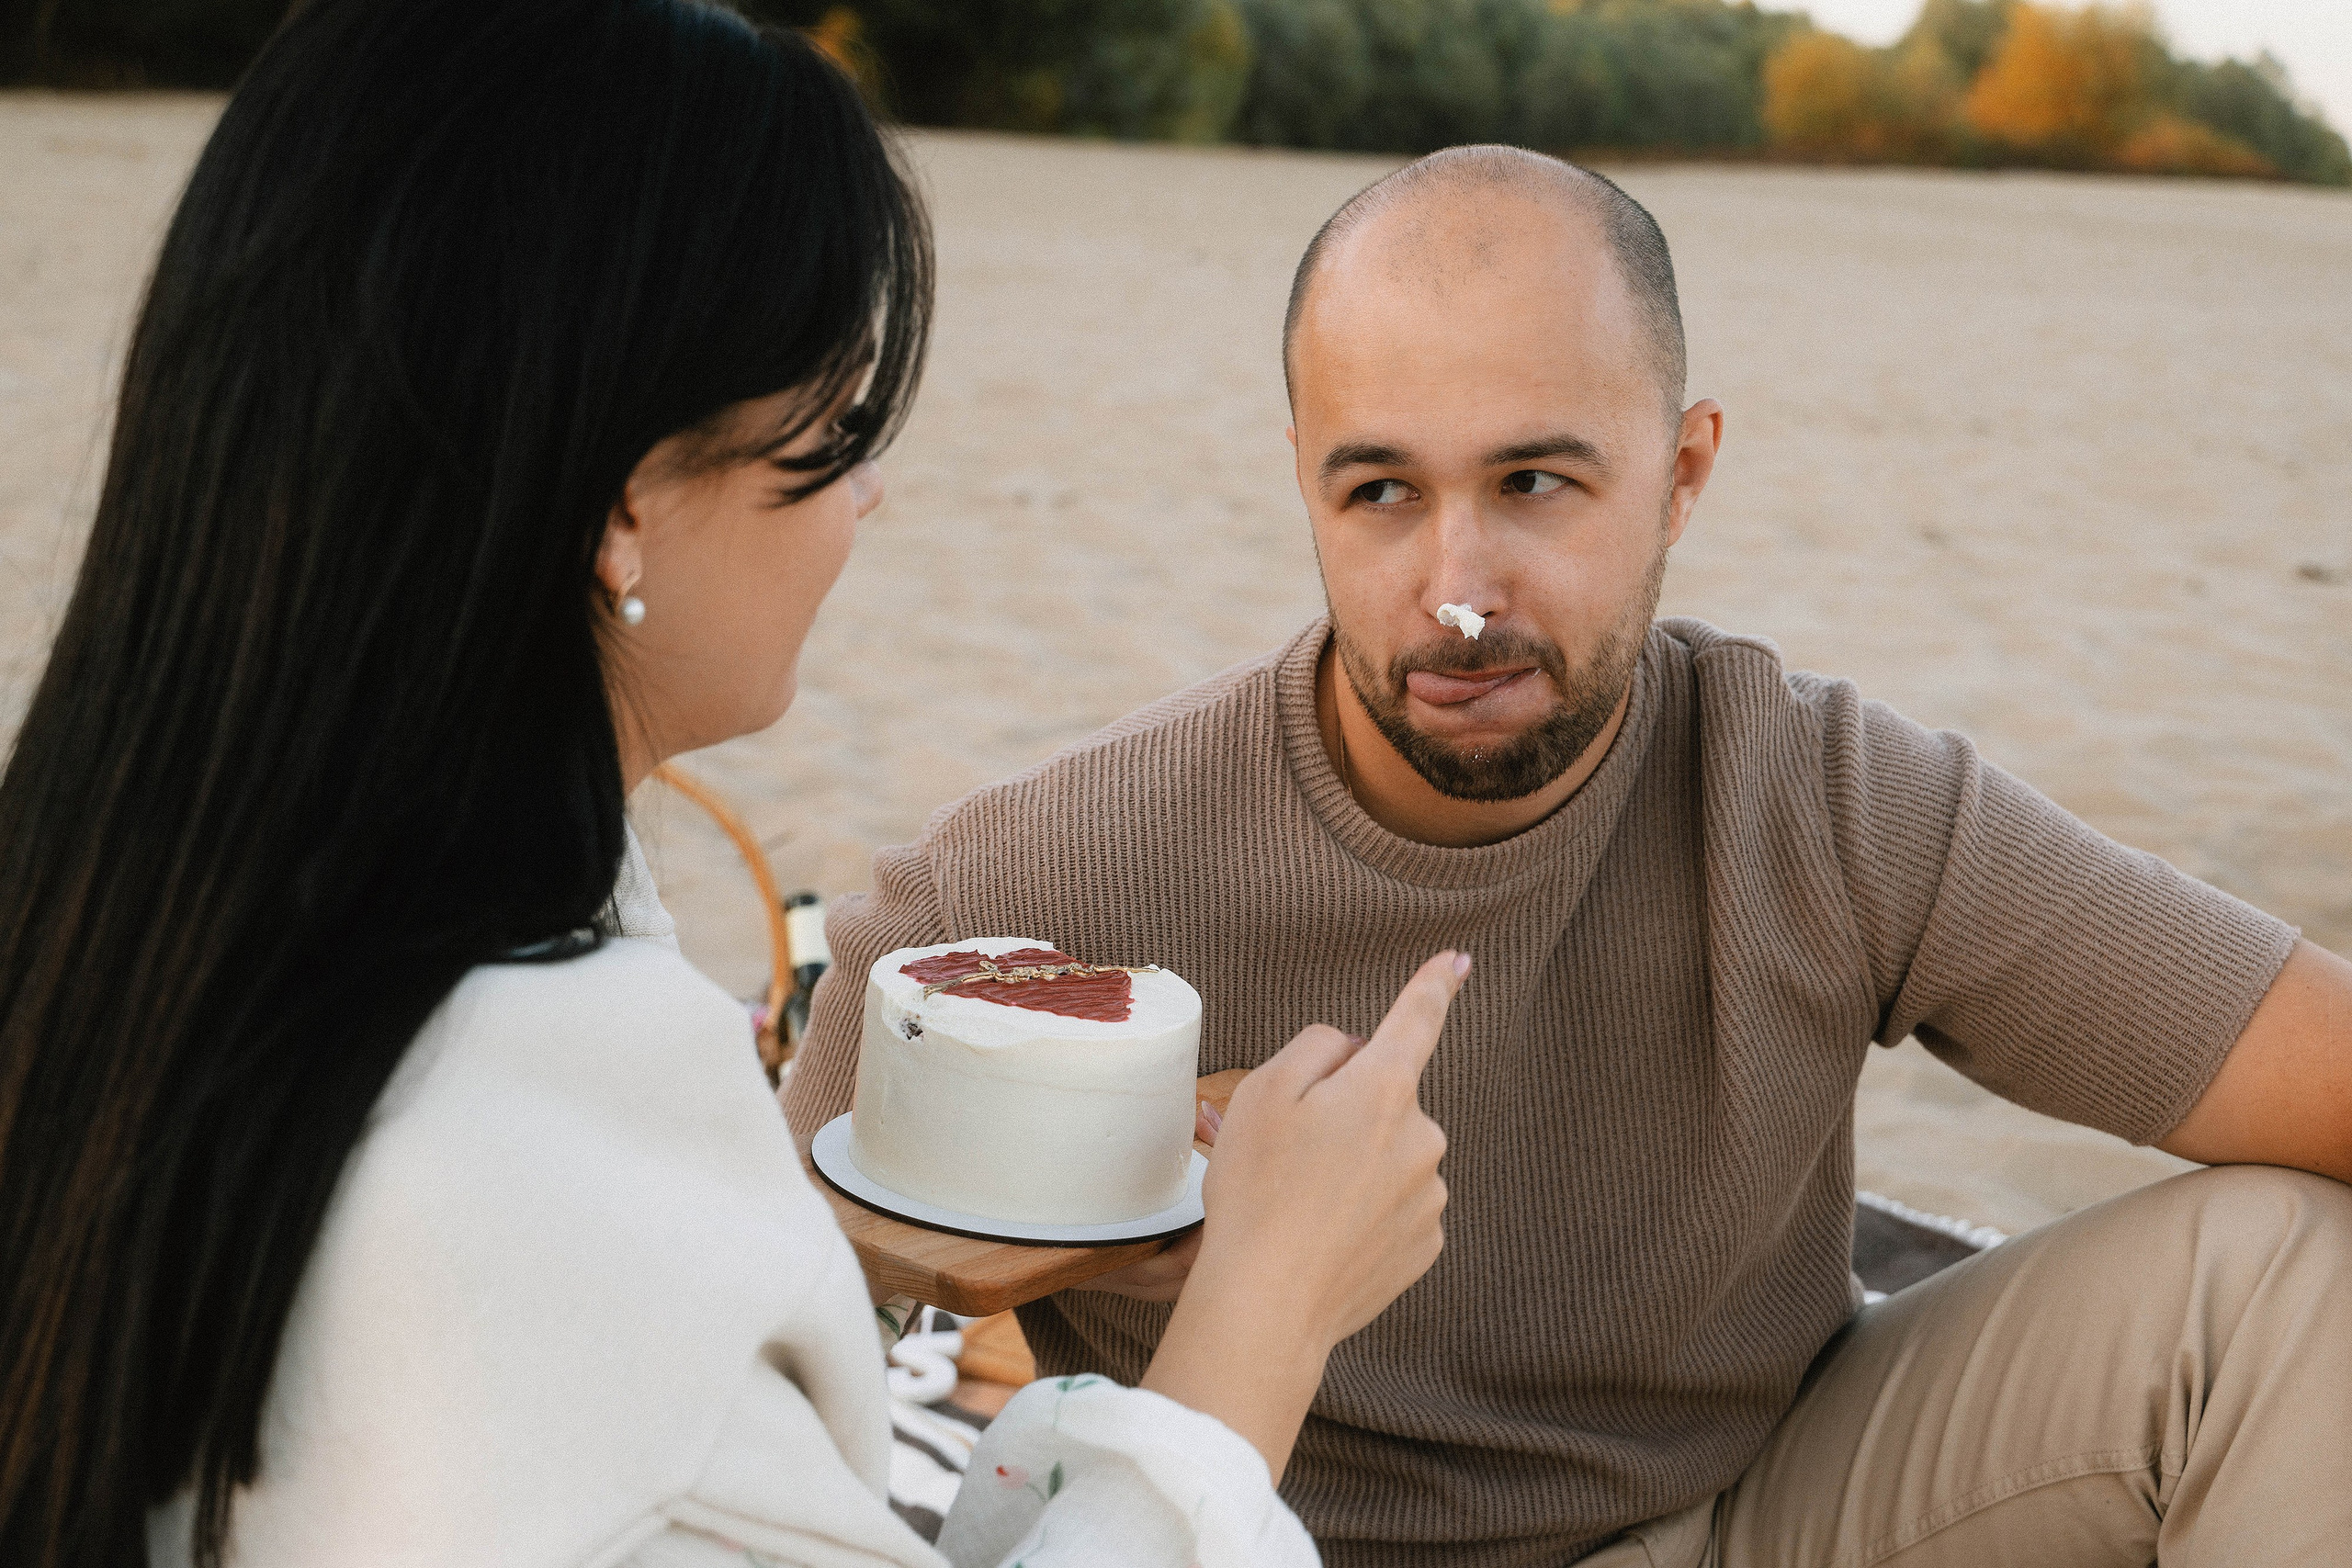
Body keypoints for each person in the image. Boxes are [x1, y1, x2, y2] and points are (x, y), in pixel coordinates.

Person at [0, 4, 1469, 1565]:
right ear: (625, 506)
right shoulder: (515, 1139)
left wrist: (856, 1246)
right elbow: (558, 1340)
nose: (870, 498)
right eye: (836, 431)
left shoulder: (138, 914)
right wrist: (1262, 1326)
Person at [786, 145, 2352, 1567]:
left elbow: (2323, 1071)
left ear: (1682, 472)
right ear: (1307, 485)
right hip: (1277, 1551)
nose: (1459, 589)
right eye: (1382, 491)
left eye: (1537, 481)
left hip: (1759, 1512)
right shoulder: (1032, 888)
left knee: (2286, 1273)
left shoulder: (1827, 794)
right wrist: (922, 1255)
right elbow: (729, 1344)